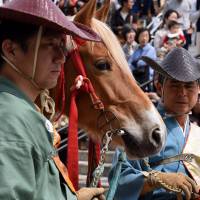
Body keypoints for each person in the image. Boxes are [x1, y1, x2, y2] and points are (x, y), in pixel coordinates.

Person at [0, 0, 105, 199]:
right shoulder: (9, 117)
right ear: (11, 50)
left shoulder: (18, 109)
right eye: (50, 45)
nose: (61, 58)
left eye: (62, 47)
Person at [109, 47, 200, 200]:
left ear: (198, 89)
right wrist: (159, 179)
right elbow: (119, 181)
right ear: (159, 87)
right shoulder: (138, 129)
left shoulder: (196, 132)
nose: (182, 92)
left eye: (189, 86)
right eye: (175, 85)